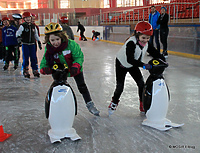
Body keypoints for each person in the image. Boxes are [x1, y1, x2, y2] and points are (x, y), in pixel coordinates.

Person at [40, 22, 100, 116]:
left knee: (82, 86)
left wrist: (76, 65)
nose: (55, 42)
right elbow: (45, 60)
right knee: (59, 87)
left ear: (62, 37)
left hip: (74, 68)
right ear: (48, 40)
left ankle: (90, 104)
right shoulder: (49, 49)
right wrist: (44, 68)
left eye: (57, 39)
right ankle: (59, 105)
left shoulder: (71, 44)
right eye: (52, 40)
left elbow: (79, 56)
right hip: (60, 71)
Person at [108, 21, 165, 115]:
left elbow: (155, 53)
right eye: (143, 38)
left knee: (141, 84)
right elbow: (130, 59)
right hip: (122, 64)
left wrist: (162, 60)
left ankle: (142, 104)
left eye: (148, 38)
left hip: (133, 65)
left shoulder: (146, 44)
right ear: (137, 35)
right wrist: (144, 65)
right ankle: (114, 102)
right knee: (120, 87)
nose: (145, 40)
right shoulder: (131, 43)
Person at [16, 11, 42, 78]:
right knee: (26, 57)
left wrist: (39, 42)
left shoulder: (33, 26)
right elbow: (18, 33)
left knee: (33, 57)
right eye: (26, 18)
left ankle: (35, 69)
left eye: (29, 17)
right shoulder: (22, 26)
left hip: (32, 44)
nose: (28, 19)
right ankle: (25, 70)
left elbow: (36, 34)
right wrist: (19, 39)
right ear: (24, 19)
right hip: (25, 44)